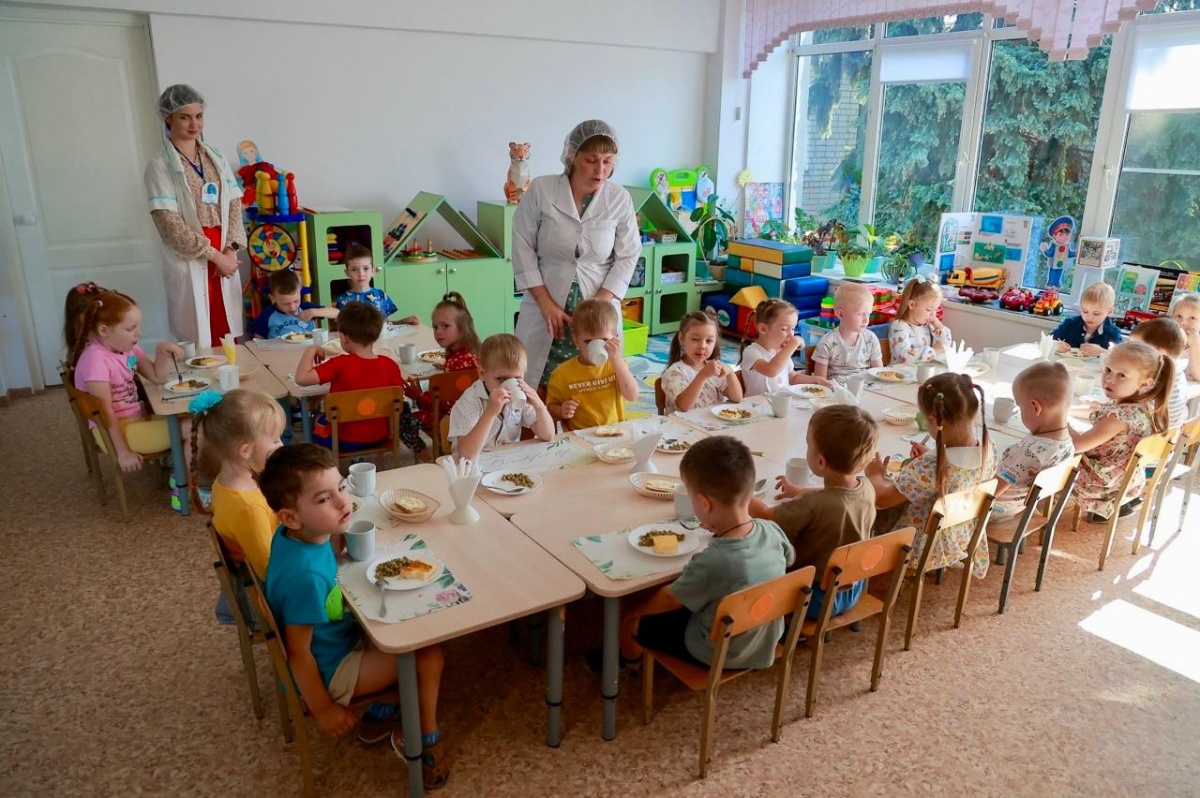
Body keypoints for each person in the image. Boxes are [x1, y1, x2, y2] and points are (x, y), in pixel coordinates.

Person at [258, 445, 448, 787]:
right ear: (290, 516)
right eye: (323, 499)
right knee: (428, 653)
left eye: (342, 487)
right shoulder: (306, 577)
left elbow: (318, 554)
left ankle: (386, 705)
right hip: (333, 668)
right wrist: (322, 709)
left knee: (402, 616)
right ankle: (424, 737)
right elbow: (299, 654)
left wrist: (331, 536)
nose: (343, 502)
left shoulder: (296, 536)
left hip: (337, 636)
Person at [615, 436, 795, 669]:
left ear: (704, 503)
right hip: (763, 639)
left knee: (631, 618)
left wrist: (638, 610)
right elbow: (790, 558)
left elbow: (670, 599)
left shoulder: (716, 560)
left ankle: (627, 665)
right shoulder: (772, 531)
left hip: (717, 650)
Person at [512, 120, 641, 386]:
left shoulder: (619, 197)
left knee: (595, 380)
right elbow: (522, 245)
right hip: (546, 301)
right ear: (572, 156)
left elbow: (629, 254)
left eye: (607, 161)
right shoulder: (542, 189)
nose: (601, 170)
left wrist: (601, 302)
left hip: (598, 302)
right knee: (538, 383)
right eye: (591, 160)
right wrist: (545, 304)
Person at [750, 406, 878, 620]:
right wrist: (800, 490)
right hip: (853, 588)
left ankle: (784, 628)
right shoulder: (866, 487)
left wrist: (741, 493)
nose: (806, 447)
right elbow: (836, 495)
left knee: (754, 564)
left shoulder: (813, 504)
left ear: (820, 461)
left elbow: (766, 516)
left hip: (813, 598)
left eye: (808, 443)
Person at [144, 84, 246, 347]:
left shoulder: (215, 156)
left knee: (227, 328)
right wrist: (215, 257)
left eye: (198, 116)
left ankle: (230, 383)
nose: (194, 124)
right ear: (168, 118)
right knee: (199, 334)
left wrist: (231, 250)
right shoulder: (159, 165)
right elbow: (169, 222)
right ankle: (204, 386)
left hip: (223, 245)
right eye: (184, 117)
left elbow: (235, 202)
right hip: (194, 252)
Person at [866, 373, 996, 577]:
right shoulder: (989, 448)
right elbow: (958, 475)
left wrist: (875, 475)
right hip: (962, 535)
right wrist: (934, 457)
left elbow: (883, 498)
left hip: (923, 547)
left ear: (934, 420)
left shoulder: (931, 466)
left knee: (866, 505)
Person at [66, 287, 184, 473]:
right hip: (117, 431)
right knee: (195, 428)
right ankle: (182, 484)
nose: (138, 333)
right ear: (104, 330)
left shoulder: (126, 348)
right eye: (130, 328)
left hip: (136, 418)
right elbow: (104, 411)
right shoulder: (95, 361)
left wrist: (161, 351)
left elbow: (157, 377)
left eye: (138, 326)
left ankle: (176, 466)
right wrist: (122, 452)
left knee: (193, 417)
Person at [295, 302, 425, 459]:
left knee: (317, 421)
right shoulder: (390, 365)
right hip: (381, 436)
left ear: (343, 338)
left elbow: (301, 378)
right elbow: (397, 399)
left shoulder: (339, 364)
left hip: (343, 440)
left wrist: (312, 349)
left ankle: (321, 466)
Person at [189, 389, 287, 580]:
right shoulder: (250, 508)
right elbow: (270, 571)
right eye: (275, 440)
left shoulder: (222, 482)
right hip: (268, 587)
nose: (281, 445)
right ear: (246, 450)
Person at [1070, 341, 1172, 522]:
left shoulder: (1119, 417)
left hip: (1098, 483)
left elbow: (1077, 445)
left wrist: (1057, 418)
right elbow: (1098, 414)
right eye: (1108, 370)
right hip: (1125, 479)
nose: (1109, 379)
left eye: (1121, 375)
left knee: (1046, 453)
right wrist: (1066, 410)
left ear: (1145, 383)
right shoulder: (1141, 405)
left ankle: (1021, 506)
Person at [449, 334, 554, 460]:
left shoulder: (520, 394)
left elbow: (548, 435)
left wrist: (540, 407)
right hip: (470, 468)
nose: (509, 386)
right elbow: (467, 454)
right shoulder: (470, 401)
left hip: (506, 462)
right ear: (482, 373)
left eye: (517, 378)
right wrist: (489, 414)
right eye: (501, 379)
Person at [992, 363, 1075, 516]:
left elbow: (992, 491)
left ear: (1035, 407)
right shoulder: (1068, 444)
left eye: (1020, 407)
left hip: (996, 510)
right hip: (1022, 508)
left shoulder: (1029, 452)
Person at [546, 299, 639, 430]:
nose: (596, 346)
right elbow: (550, 409)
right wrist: (561, 410)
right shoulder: (562, 373)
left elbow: (632, 395)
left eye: (604, 340)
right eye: (588, 341)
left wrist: (617, 360)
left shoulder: (617, 366)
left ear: (615, 338)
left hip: (614, 432)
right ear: (576, 340)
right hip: (579, 436)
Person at [406, 293, 483, 434]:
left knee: (405, 420)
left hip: (455, 420)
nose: (438, 332)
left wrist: (418, 395)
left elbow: (444, 403)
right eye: (435, 327)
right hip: (478, 415)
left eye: (445, 326)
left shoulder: (456, 361)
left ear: (462, 327)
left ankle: (429, 451)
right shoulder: (475, 351)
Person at [740, 298, 832, 396]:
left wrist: (816, 380)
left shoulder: (782, 353)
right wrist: (794, 343)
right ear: (763, 328)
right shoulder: (751, 352)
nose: (791, 335)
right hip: (756, 406)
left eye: (793, 328)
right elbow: (771, 371)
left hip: (780, 403)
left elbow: (793, 378)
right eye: (784, 329)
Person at [659, 311, 743, 413]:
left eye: (709, 341)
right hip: (682, 426)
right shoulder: (674, 372)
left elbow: (737, 398)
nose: (702, 346)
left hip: (712, 425)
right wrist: (703, 375)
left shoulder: (714, 368)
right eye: (695, 339)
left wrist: (730, 372)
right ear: (681, 338)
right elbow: (684, 406)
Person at [812, 283, 884, 380]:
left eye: (868, 314)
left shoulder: (871, 339)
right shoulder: (827, 342)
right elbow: (820, 381)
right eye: (860, 314)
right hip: (837, 390)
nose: (866, 320)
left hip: (866, 388)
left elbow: (879, 373)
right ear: (841, 314)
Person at [334, 244, 419, 324]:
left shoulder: (381, 295)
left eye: (366, 268)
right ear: (347, 272)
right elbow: (342, 329)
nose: (361, 274)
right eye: (354, 269)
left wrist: (403, 321)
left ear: (373, 270)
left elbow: (387, 325)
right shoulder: (343, 300)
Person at [1130, 317, 1188, 429]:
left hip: (1142, 442)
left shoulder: (1154, 380)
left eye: (1136, 348)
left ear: (1158, 351)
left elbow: (1128, 415)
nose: (1130, 352)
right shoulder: (1178, 374)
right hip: (1164, 443)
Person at [251, 269, 339, 340]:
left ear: (300, 292)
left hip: (307, 351)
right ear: (273, 298)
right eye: (286, 304)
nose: (292, 307)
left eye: (296, 301)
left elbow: (337, 313)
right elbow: (258, 339)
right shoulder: (268, 314)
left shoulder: (305, 307)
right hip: (280, 354)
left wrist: (313, 312)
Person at [889, 277, 953, 364]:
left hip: (921, 374)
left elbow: (946, 343)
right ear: (912, 304)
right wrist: (934, 351)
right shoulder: (899, 327)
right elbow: (906, 356)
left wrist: (938, 325)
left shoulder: (927, 326)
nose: (933, 315)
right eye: (929, 310)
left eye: (935, 310)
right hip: (901, 375)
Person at [1051, 282, 1122, 356]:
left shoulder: (1113, 333)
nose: (1089, 317)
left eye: (1096, 313)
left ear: (1109, 312)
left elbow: (1119, 357)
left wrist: (1102, 352)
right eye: (1085, 311)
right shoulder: (1069, 324)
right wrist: (1056, 345)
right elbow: (1048, 340)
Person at [1170, 293, 1200, 382]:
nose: (1183, 322)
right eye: (1179, 316)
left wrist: (1195, 347)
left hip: (1189, 392)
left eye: (1192, 318)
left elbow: (1198, 376)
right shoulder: (1166, 338)